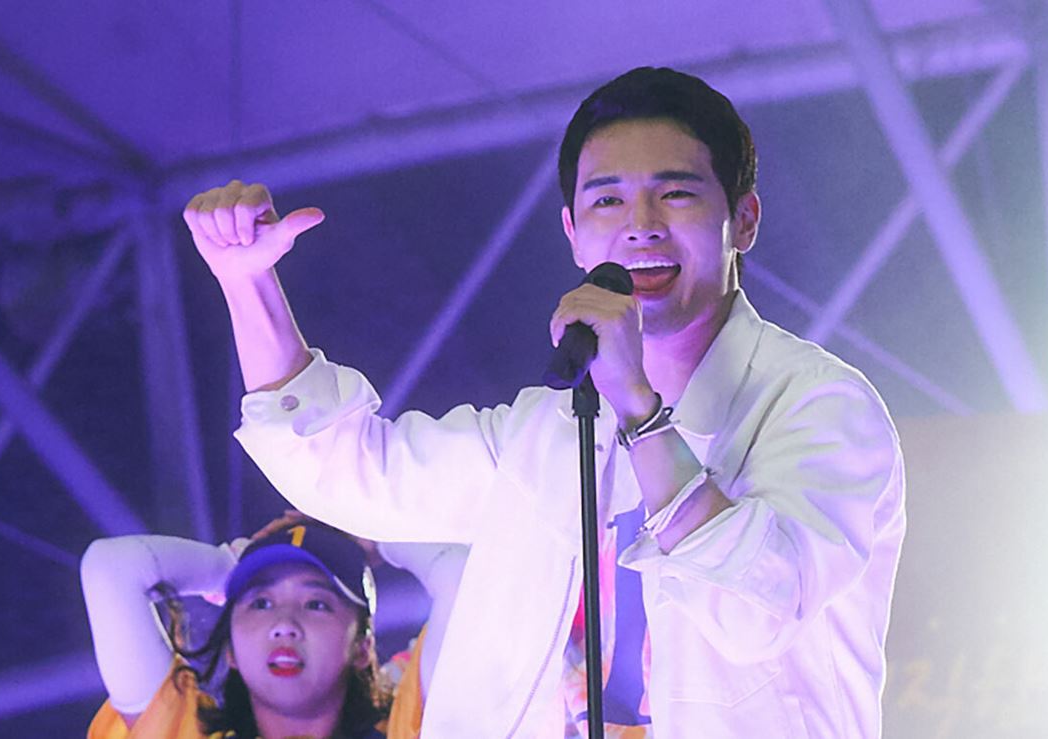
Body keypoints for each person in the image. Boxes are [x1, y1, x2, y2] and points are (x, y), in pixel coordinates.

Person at [183, 66, 906, 737]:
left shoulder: (820, 406)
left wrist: (639, 409)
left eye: (677, 193)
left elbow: (758, 610)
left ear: (743, 219)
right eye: (607, 199)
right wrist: (247, 284)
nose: (641, 224)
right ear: (572, 233)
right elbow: (349, 471)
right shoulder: (550, 428)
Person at [81, 518, 393, 738]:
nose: (284, 625)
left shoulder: (413, 726)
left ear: (362, 647)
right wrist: (229, 565)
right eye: (261, 603)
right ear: (230, 648)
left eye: (316, 604)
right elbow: (111, 566)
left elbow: (434, 554)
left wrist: (377, 536)